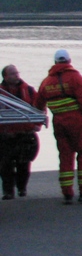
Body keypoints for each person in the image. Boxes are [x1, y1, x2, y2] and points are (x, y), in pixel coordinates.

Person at [34, 49, 82, 204]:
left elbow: (38, 105)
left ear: (55, 62)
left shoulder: (46, 82)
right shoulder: (75, 78)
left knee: (65, 156)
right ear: (69, 61)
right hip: (76, 121)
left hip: (58, 122)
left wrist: (36, 123)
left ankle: (67, 194)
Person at [0, 65, 42, 200]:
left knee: (23, 164)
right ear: (5, 77)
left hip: (25, 134)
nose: (16, 75)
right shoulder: (1, 93)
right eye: (13, 73)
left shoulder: (28, 90)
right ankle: (8, 192)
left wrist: (38, 124)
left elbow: (40, 106)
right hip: (5, 135)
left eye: (17, 73)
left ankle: (22, 188)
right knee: (5, 165)